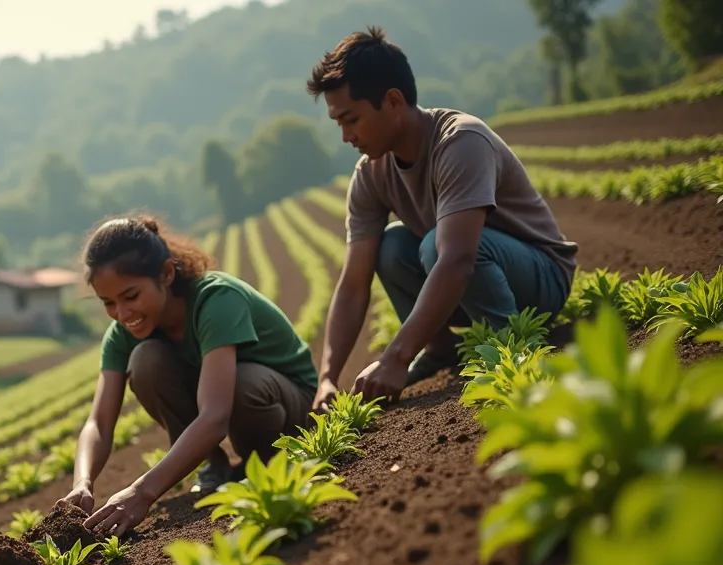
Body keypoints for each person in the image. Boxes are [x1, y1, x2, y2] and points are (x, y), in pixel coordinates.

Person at [304, 27, 579, 412]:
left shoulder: (460, 141)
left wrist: (395, 357)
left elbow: (457, 260)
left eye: (352, 120)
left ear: (393, 101)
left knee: (438, 245)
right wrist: (328, 378)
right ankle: (440, 349)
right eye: (339, 124)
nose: (346, 136)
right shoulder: (370, 174)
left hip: (540, 278)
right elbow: (352, 285)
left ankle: (512, 347)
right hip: (470, 276)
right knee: (391, 247)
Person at [57, 215, 319, 537]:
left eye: (131, 296)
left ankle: (268, 460)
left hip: (293, 402)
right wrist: (82, 483)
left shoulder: (216, 299)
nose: (122, 314)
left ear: (166, 274)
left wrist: (143, 492)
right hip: (234, 397)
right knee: (145, 361)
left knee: (242, 382)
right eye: (108, 303)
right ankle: (216, 466)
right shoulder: (124, 331)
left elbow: (215, 415)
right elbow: (99, 423)